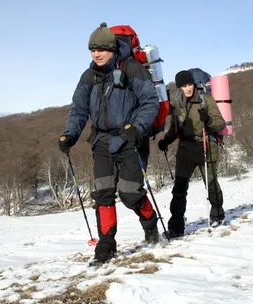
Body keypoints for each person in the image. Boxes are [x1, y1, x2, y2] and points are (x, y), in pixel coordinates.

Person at [58, 22, 160, 264]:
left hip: (130, 140)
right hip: (101, 141)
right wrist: (70, 134)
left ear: (113, 49)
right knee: (103, 193)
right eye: (93, 49)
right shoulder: (88, 75)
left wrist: (136, 128)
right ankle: (106, 247)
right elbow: (79, 109)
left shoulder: (133, 68)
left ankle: (150, 222)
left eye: (101, 49)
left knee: (130, 194)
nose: (97, 54)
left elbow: (150, 102)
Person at [157, 70, 227, 238]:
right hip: (186, 148)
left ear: (194, 84)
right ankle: (176, 225)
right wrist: (166, 140)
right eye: (183, 86)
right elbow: (175, 128)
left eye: (189, 85)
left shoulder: (206, 100)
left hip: (206, 145)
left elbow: (220, 124)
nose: (187, 89)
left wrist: (208, 120)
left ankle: (217, 215)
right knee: (179, 189)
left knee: (211, 185)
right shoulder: (177, 104)